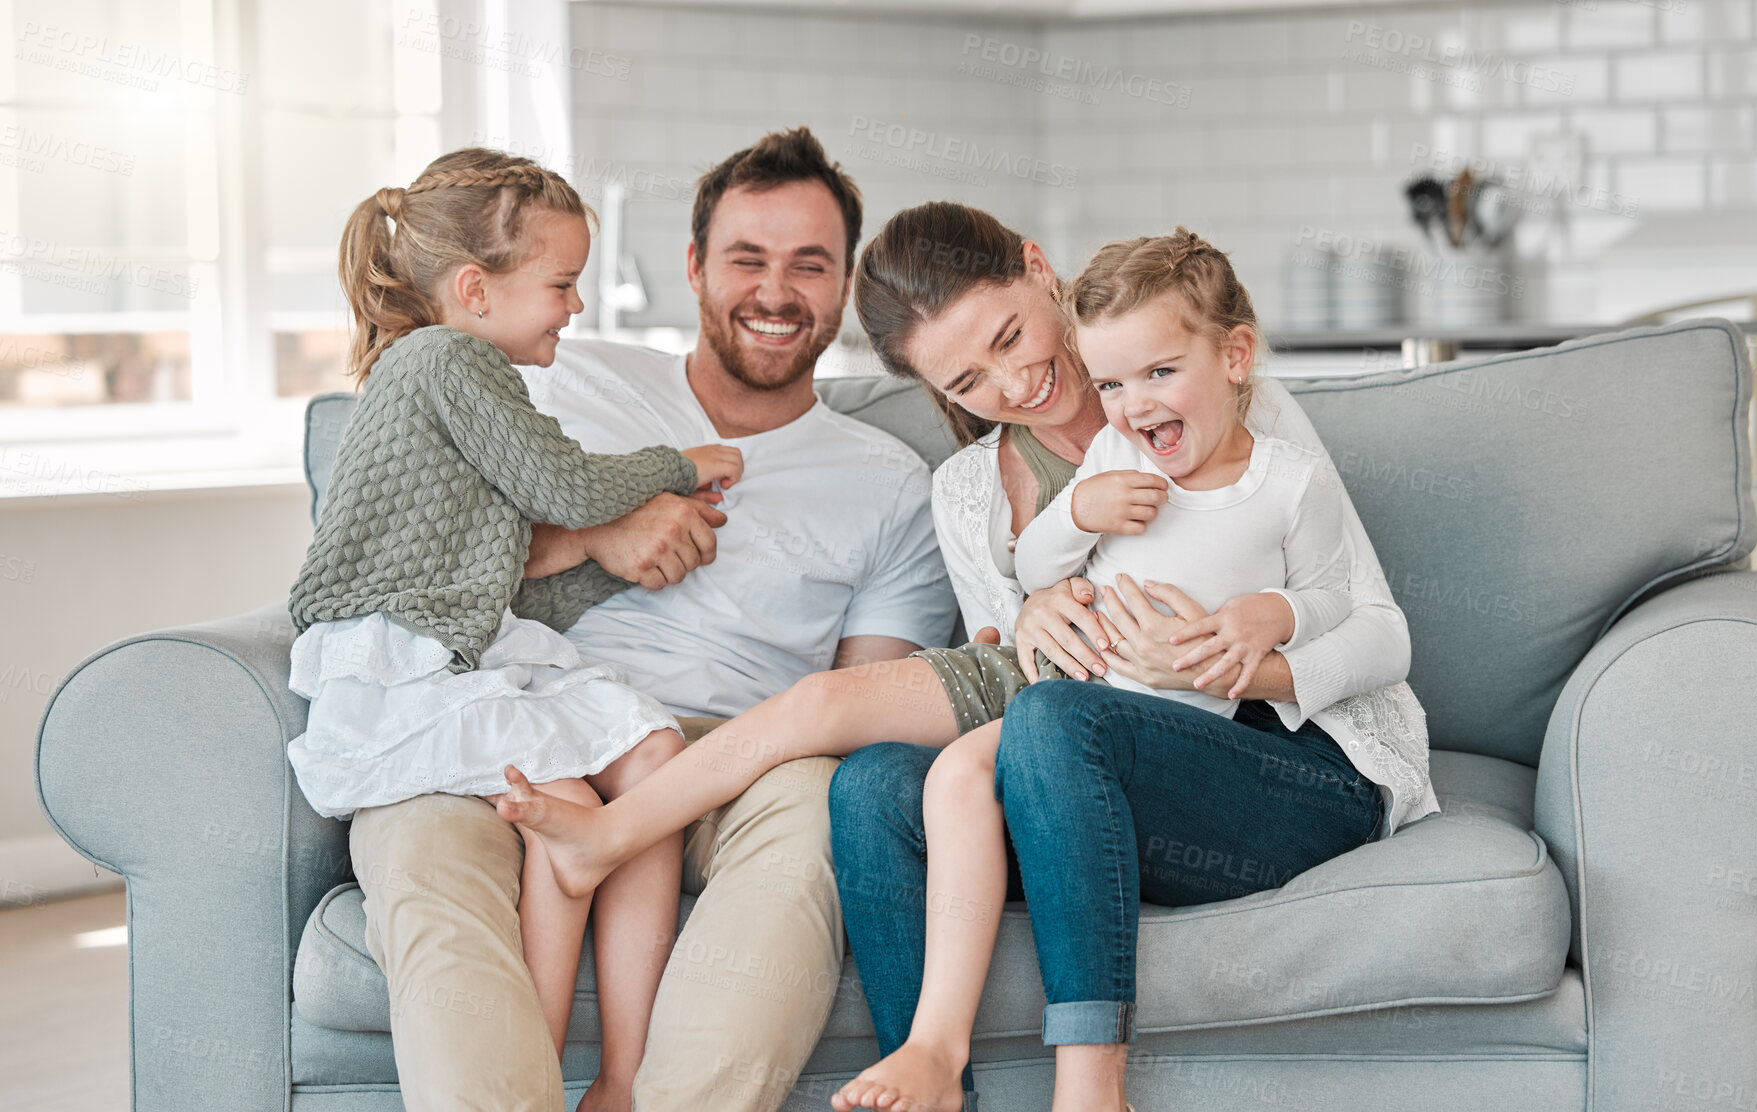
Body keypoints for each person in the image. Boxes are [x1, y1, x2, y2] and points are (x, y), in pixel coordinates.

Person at [344, 126, 956, 1112]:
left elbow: (859, 708)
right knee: (420, 845)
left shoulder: (889, 484)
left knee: (816, 818)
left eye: (810, 264)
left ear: (843, 284)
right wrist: (593, 537)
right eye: (746, 258)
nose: (775, 290)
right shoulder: (546, 371)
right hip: (504, 711)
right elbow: (406, 556)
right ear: (693, 266)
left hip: (735, 756)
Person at [828, 202, 1439, 1112]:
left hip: (1298, 763)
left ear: (1043, 274)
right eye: (968, 377)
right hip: (1105, 776)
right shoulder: (991, 487)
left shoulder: (1242, 420)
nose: (1014, 379)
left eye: (1009, 335)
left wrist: (1251, 648)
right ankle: (928, 1077)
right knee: (872, 784)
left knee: (1052, 720)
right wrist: (1033, 599)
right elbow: (1026, 687)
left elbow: (1377, 625)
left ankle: (1090, 1089)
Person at [286, 147, 745, 1112]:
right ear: (473, 290)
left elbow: (519, 590)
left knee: (622, 773)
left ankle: (611, 1074)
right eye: (562, 284)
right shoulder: (448, 361)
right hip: (412, 667)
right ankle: (565, 1062)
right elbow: (568, 486)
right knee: (609, 774)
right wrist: (677, 465)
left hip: (457, 647)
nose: (575, 309)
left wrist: (608, 555)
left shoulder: (451, 372)